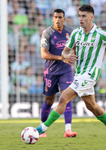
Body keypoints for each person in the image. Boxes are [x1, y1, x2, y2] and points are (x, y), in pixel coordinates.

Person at [36, 5, 106, 142]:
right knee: (91, 106)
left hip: (90, 75)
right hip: (79, 74)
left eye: (84, 16)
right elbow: (65, 51)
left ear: (91, 17)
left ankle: (42, 129)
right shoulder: (76, 33)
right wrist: (66, 56)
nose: (81, 19)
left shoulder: (100, 34)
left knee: (63, 98)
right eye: (79, 16)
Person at [39, 9, 77, 138]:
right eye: (55, 17)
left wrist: (74, 57)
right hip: (51, 71)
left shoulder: (71, 31)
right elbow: (43, 54)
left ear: (64, 19)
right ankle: (43, 129)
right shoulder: (47, 33)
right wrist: (62, 57)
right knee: (49, 101)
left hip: (66, 70)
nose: (58, 19)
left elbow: (76, 47)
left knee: (66, 96)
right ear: (52, 19)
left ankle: (68, 130)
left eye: (60, 17)